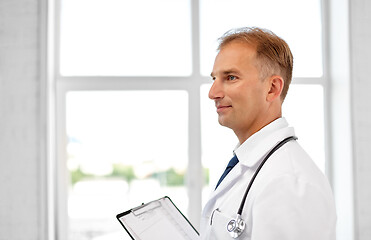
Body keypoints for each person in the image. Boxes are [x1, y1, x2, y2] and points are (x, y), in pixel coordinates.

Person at [200, 27, 336, 240]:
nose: (212, 93)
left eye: (231, 77)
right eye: (214, 79)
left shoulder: (288, 183)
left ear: (272, 88)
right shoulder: (251, 166)